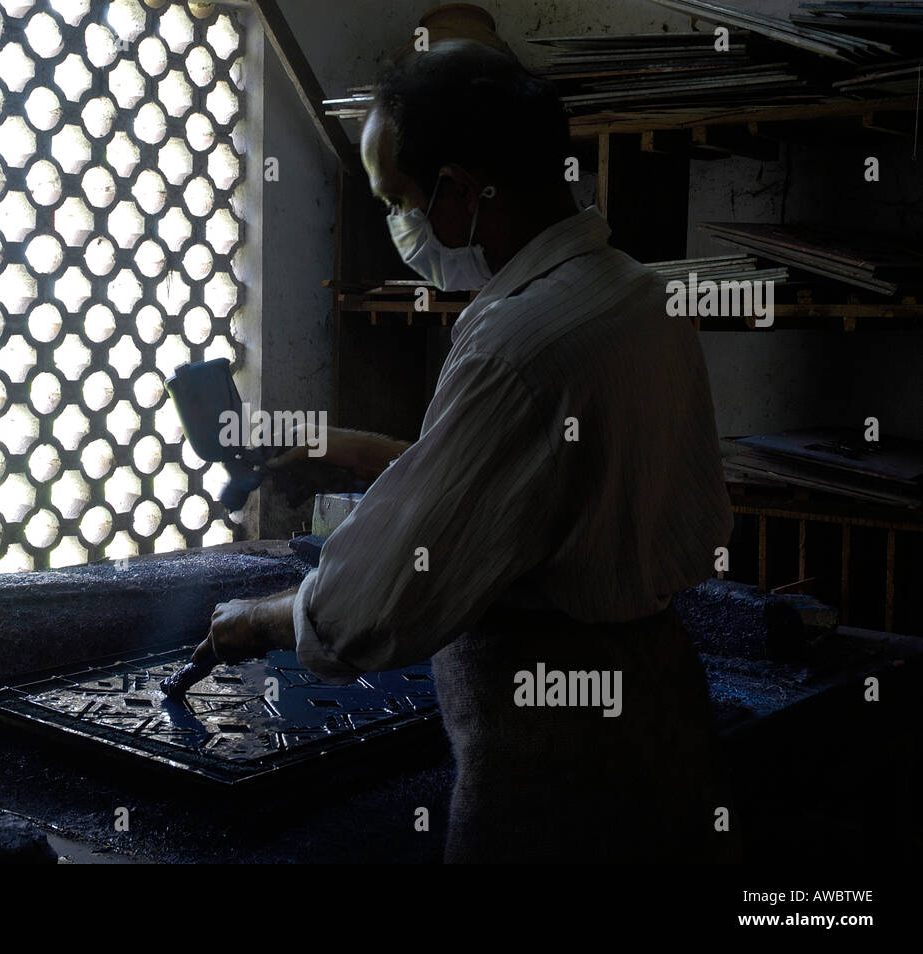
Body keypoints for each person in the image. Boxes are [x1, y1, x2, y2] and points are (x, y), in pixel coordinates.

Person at [189, 39, 735, 862]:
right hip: (660, 698)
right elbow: (520, 486)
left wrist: (258, 620)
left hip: (552, 749)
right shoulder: (633, 293)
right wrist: (350, 451)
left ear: (456, 191)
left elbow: (372, 607)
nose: (401, 228)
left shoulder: (517, 344)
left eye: (398, 201)